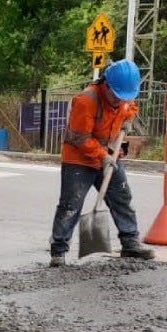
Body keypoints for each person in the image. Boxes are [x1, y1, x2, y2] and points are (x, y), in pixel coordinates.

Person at [48, 59, 156, 267]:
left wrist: (128, 120)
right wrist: (102, 156)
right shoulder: (86, 101)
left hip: (109, 154)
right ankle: (58, 251)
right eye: (116, 96)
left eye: (123, 97)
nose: (119, 101)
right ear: (106, 85)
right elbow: (79, 138)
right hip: (79, 158)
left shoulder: (124, 94)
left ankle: (130, 242)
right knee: (71, 204)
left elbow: (130, 107)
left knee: (121, 197)